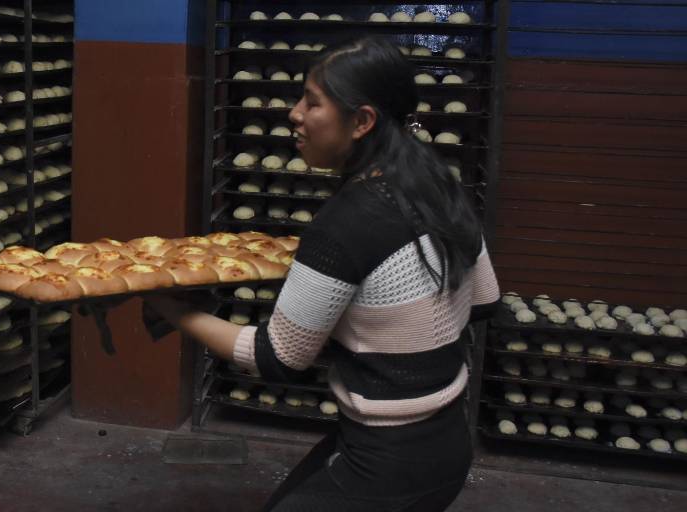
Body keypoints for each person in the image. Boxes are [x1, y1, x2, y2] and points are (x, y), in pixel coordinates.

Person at [146, 35, 500, 511]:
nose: (294, 114)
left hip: (387, 463)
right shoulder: (437, 181)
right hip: (447, 441)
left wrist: (168, 306)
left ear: (363, 122)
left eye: (312, 102)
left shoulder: (344, 223)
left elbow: (277, 358)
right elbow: (484, 300)